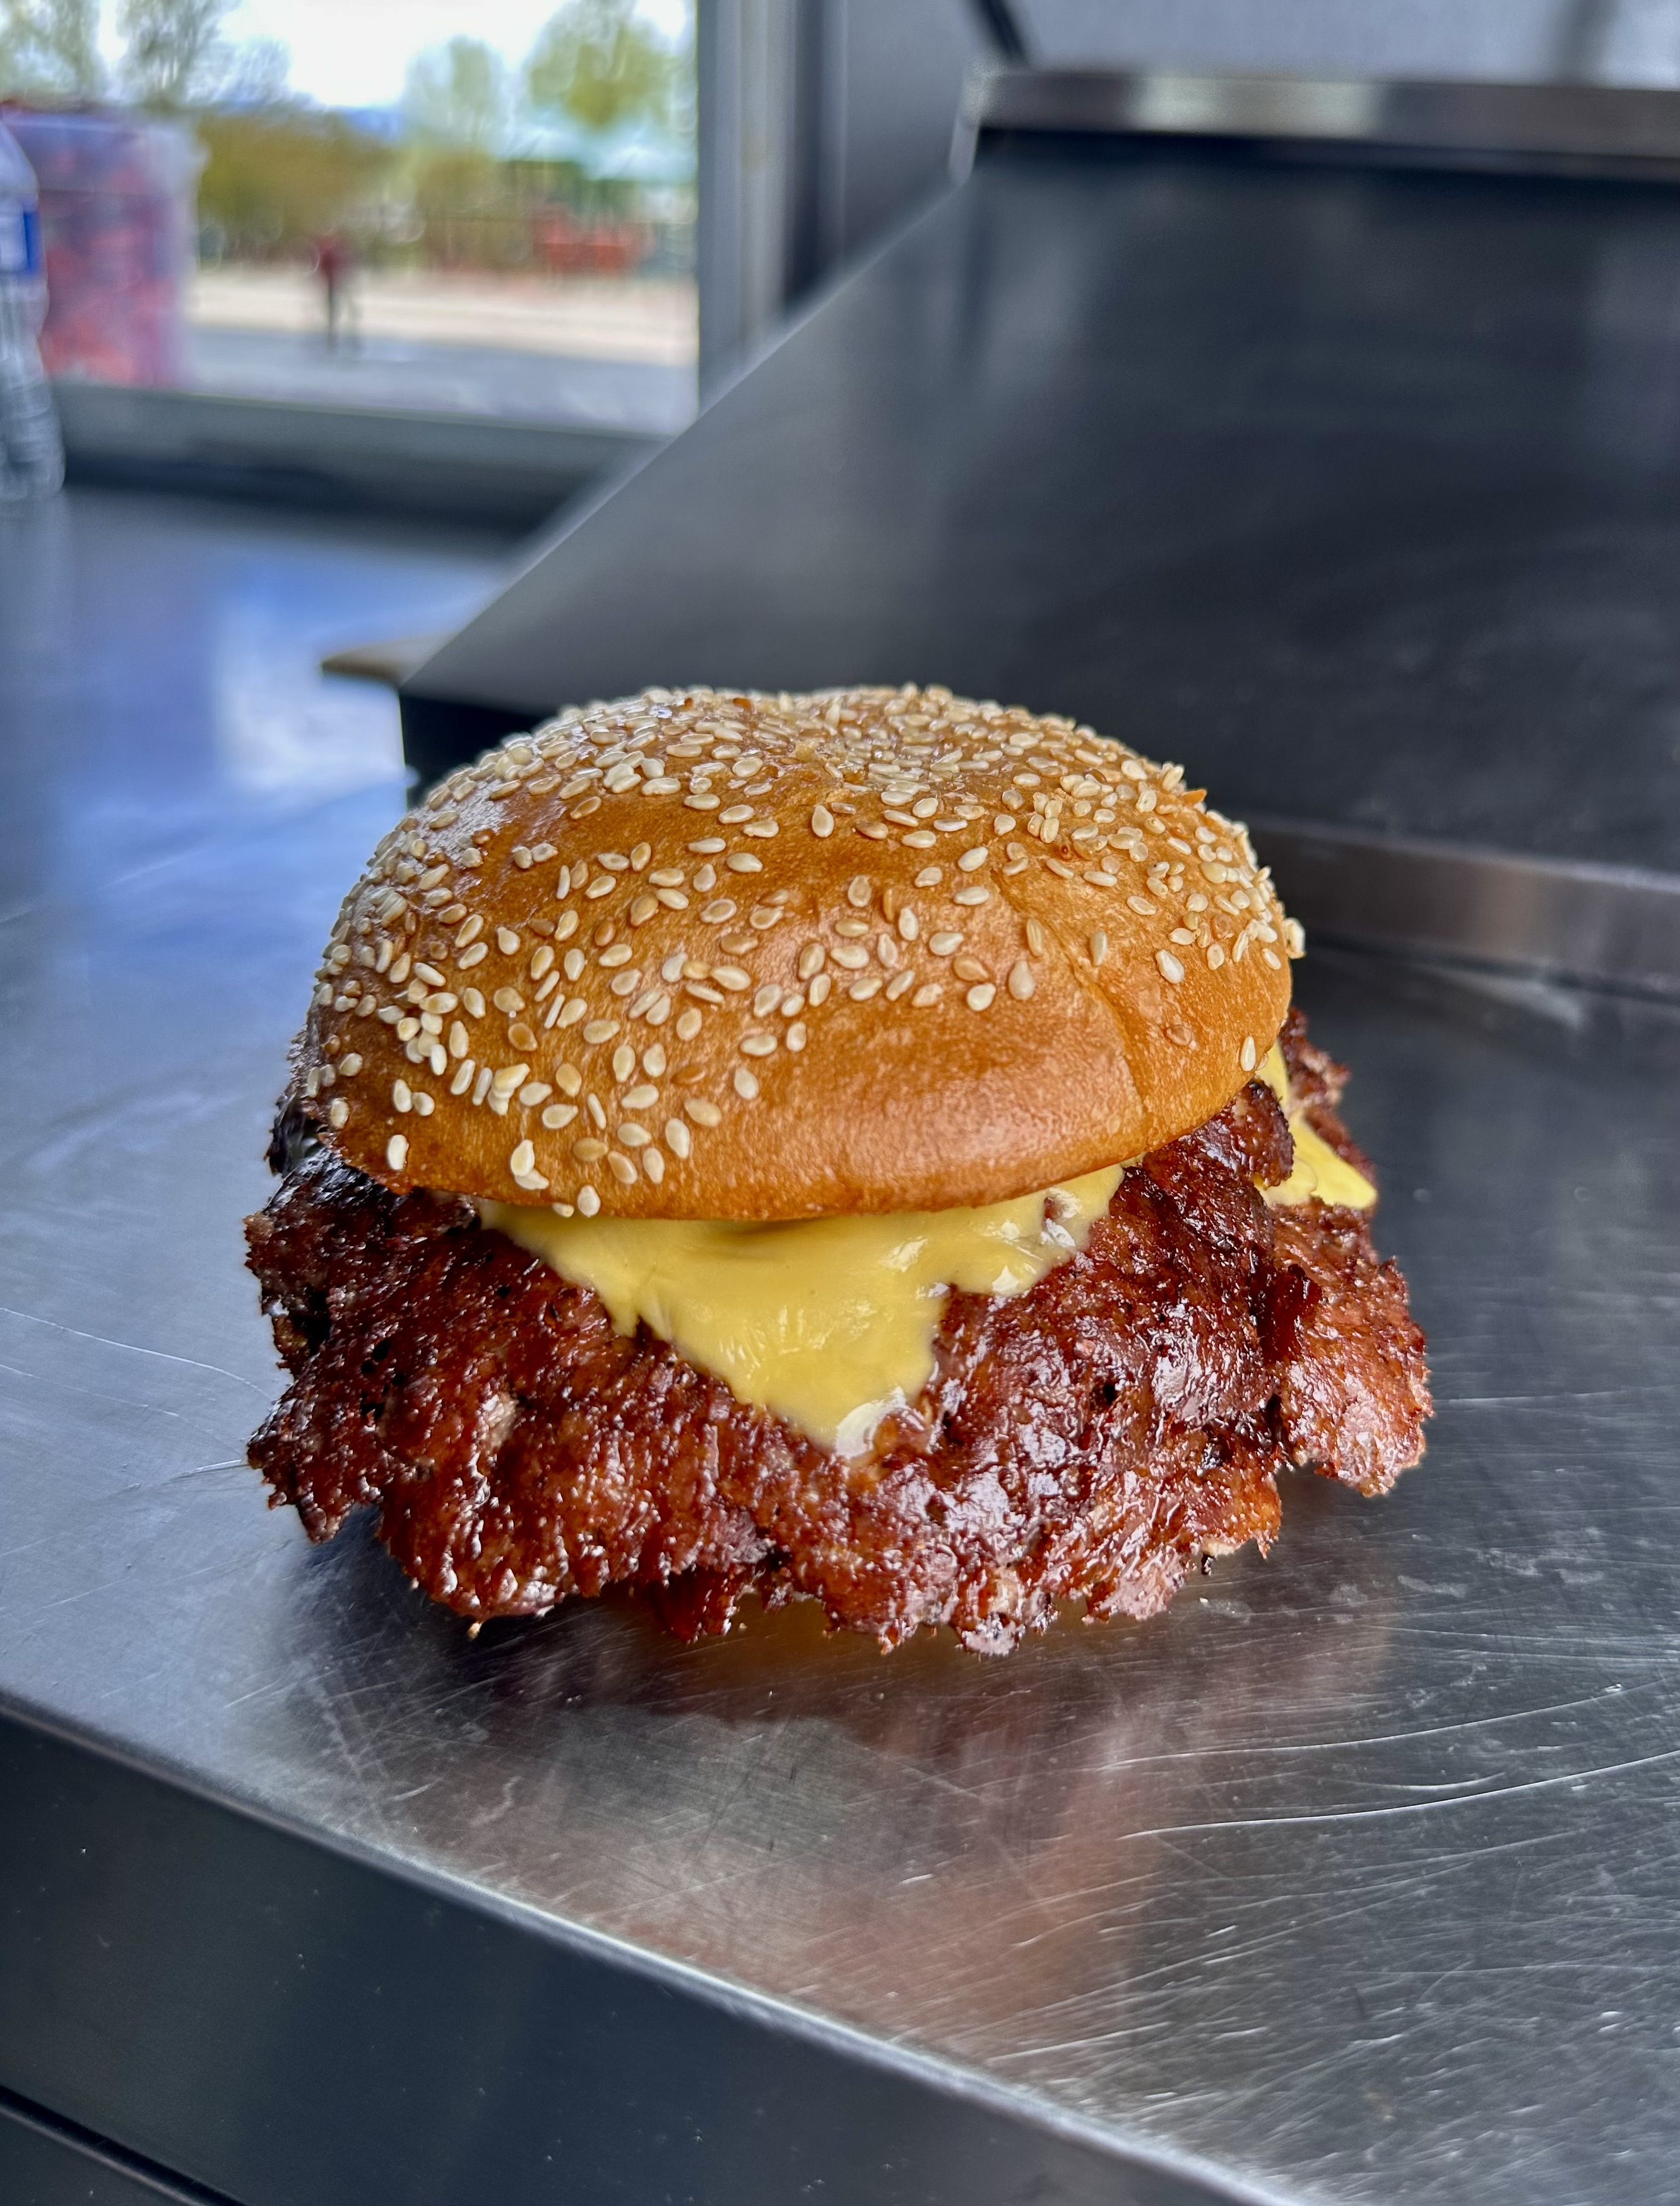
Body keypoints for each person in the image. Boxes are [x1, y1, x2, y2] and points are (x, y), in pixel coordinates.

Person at [310, 231, 353, 349]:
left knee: (334, 311)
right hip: (335, 285)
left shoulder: (329, 251)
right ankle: (332, 337)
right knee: (334, 311)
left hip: (335, 284)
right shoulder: (333, 251)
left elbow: (321, 268)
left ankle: (333, 336)